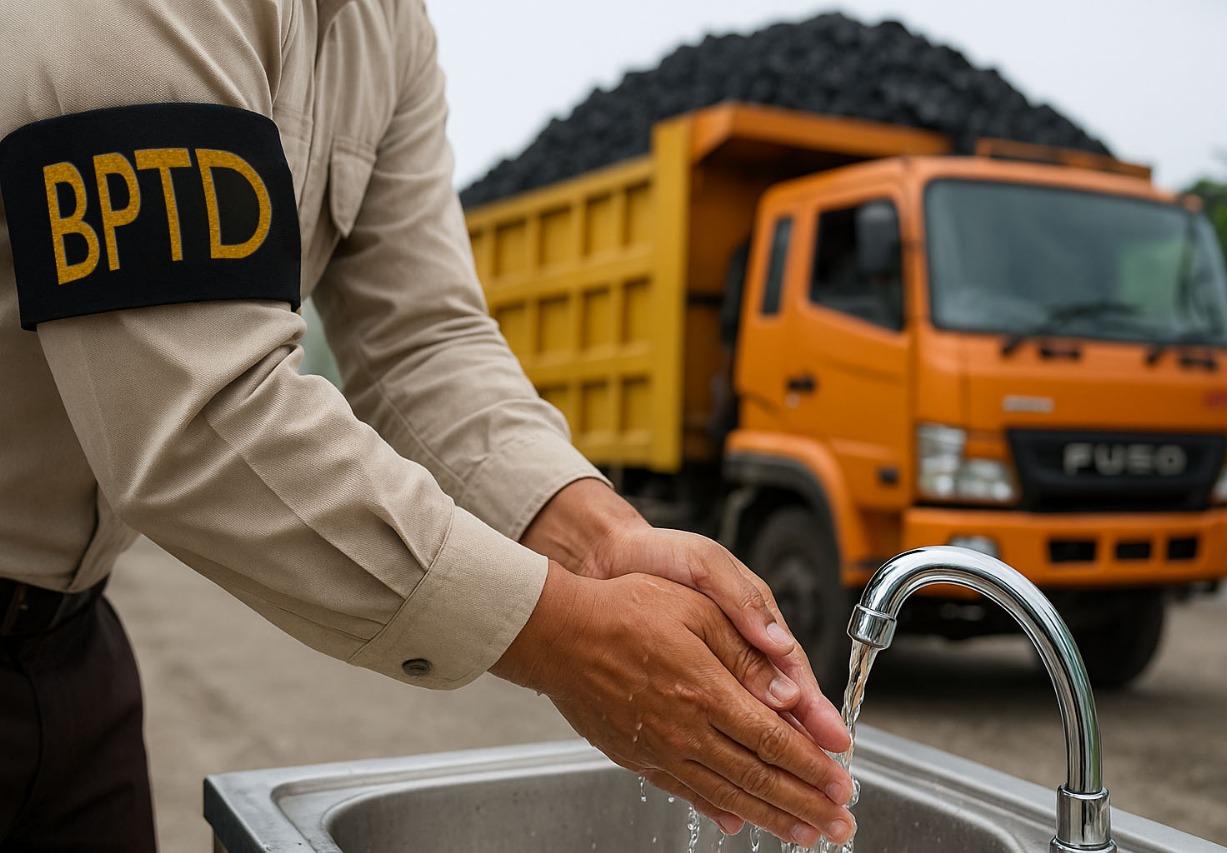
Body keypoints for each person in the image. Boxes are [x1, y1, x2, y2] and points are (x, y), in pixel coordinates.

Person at [0, 2, 856, 851]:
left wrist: (600, 542)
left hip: (70, 650)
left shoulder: (388, 29)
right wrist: (564, 634)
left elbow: (420, 343)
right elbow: (201, 408)